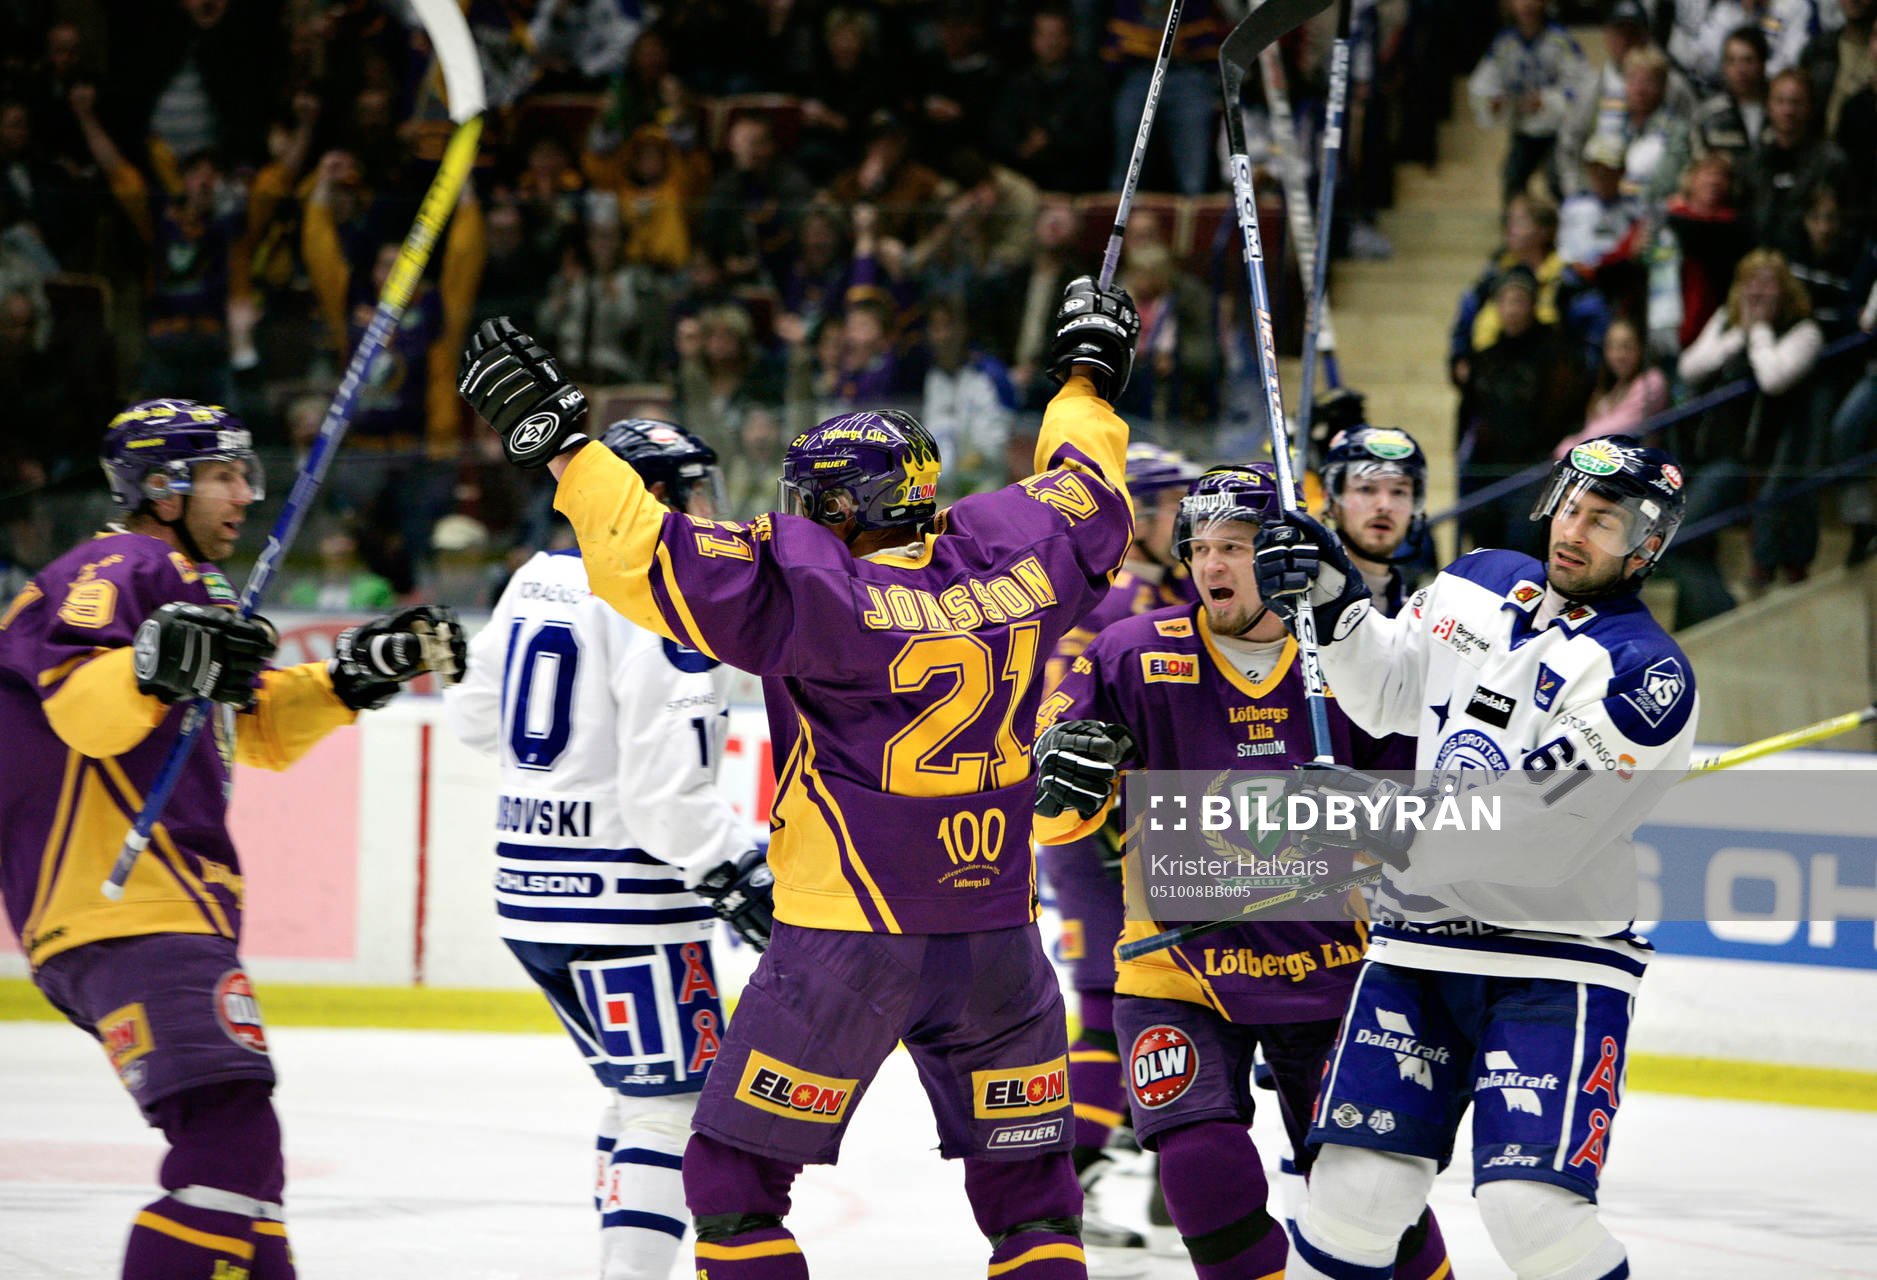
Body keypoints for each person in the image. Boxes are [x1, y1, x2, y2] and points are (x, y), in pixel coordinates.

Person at [457, 274, 1143, 1279]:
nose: (804, 512)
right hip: (994, 935)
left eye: (819, 496)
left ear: (852, 501)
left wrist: (565, 446)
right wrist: (1085, 375)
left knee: (731, 1190)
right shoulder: (1021, 553)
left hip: (846, 943)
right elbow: (1090, 478)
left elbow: (637, 554)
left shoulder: (814, 588)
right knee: (1032, 1201)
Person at [0, 398, 462, 1279]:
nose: (247, 494)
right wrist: (148, 663)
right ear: (162, 488)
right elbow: (82, 710)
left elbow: (260, 730)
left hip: (151, 911)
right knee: (228, 1142)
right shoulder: (116, 562)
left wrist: (364, 670)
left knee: (247, 1172)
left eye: (246, 474)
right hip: (124, 903)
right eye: (223, 475)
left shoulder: (188, 588)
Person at [1250, 435, 1698, 1280]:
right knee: (1352, 1192)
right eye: (1571, 507)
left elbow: (1529, 831)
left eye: (1603, 523)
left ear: (1645, 547)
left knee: (1529, 1212)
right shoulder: (1476, 580)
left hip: (1555, 962)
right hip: (1419, 944)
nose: (1574, 530)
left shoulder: (1647, 678)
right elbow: (1384, 693)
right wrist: (1336, 601)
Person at [1032, 465, 1450, 1280]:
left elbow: (1423, 814)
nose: (1212, 565)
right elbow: (1054, 819)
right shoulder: (1130, 652)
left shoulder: (1350, 662)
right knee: (1203, 1178)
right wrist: (1063, 781)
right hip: (1177, 969)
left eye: (1236, 545)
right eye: (1199, 548)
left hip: (1330, 969)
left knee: (1373, 1204)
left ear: (1283, 553)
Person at [442, 418, 773, 1280]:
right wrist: (738, 872)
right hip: (628, 906)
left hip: (528, 895)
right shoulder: (661, 596)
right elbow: (665, 798)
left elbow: (474, 719)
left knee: (637, 1091)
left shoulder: (535, 578)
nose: (709, 511)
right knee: (679, 1101)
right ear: (650, 497)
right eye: (694, 490)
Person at [1034, 441, 1200, 1254]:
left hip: (1140, 826)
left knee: (1165, 1002)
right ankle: (1065, 1192)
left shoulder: (1147, 588)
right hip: (1106, 828)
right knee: (1106, 1009)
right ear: (1136, 512)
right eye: (1174, 505)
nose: (1188, 519)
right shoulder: (1118, 600)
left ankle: (1172, 1180)